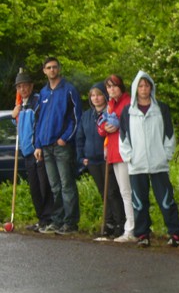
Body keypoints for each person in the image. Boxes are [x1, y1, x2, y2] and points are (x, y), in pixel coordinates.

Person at [119, 70, 179, 247]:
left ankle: (174, 233)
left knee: (166, 199)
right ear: (135, 88)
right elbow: (123, 136)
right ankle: (142, 234)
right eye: (140, 86)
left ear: (151, 88)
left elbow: (169, 133)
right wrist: (129, 157)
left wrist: (166, 155)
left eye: (146, 85)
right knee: (139, 202)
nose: (143, 89)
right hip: (137, 164)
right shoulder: (128, 111)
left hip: (158, 163)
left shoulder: (161, 108)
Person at [34, 57, 82, 235]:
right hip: (46, 146)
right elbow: (39, 120)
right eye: (49, 67)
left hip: (62, 145)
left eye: (55, 67)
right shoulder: (43, 93)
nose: (52, 70)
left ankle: (71, 223)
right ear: (44, 71)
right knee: (55, 186)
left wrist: (65, 138)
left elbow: (76, 117)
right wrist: (38, 145)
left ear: (59, 69)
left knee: (67, 184)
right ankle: (58, 220)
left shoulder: (69, 90)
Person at [76, 82, 125, 238]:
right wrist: (81, 156)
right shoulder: (86, 116)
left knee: (112, 191)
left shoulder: (110, 114)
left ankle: (120, 223)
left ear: (104, 96)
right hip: (91, 160)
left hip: (107, 158)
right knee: (102, 192)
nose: (95, 98)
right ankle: (108, 223)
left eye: (98, 95)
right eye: (93, 95)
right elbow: (80, 138)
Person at [11, 70, 54, 232]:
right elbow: (21, 127)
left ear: (31, 86)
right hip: (27, 152)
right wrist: (14, 116)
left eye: (25, 86)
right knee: (34, 187)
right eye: (19, 87)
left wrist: (39, 146)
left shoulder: (37, 101)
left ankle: (49, 219)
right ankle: (41, 219)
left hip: (38, 150)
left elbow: (41, 125)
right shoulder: (20, 105)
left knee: (44, 186)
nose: (22, 89)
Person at [98, 75, 136, 243]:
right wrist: (105, 127)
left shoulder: (128, 102)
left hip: (125, 152)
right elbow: (101, 126)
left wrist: (119, 126)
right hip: (114, 151)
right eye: (108, 87)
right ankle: (130, 227)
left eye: (114, 86)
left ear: (121, 86)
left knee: (127, 192)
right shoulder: (110, 104)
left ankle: (131, 229)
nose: (111, 89)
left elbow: (133, 125)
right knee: (123, 191)